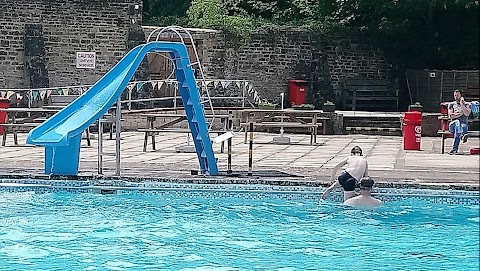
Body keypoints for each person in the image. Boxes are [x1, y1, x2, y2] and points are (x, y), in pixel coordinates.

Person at [447, 89, 471, 155]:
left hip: (463, 125)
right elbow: (451, 116)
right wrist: (460, 114)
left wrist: (461, 104)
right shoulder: (451, 104)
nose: (456, 97)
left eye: (457, 95)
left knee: (461, 127)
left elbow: (467, 114)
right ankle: (462, 135)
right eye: (455, 96)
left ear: (461, 96)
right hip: (452, 125)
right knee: (457, 122)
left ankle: (454, 149)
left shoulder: (466, 104)